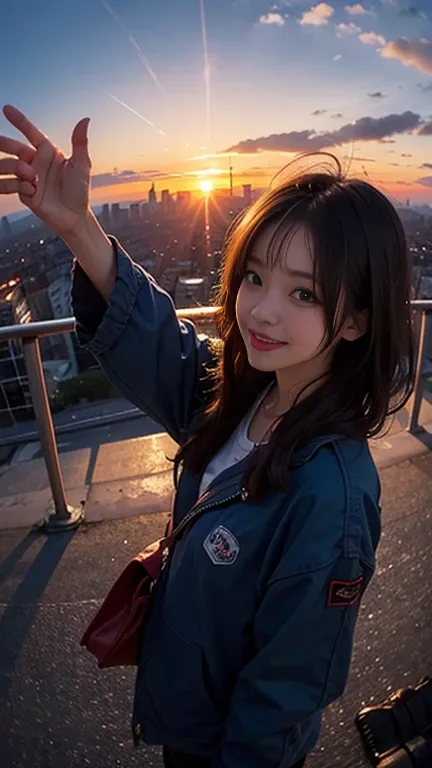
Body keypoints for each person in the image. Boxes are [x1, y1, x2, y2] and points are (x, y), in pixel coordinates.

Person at [0, 104, 414, 768]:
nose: (262, 309)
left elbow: (284, 694)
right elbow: (161, 346)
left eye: (304, 294)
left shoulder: (332, 498)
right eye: (255, 277)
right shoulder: (247, 393)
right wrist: (78, 225)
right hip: (188, 714)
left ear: (358, 321)